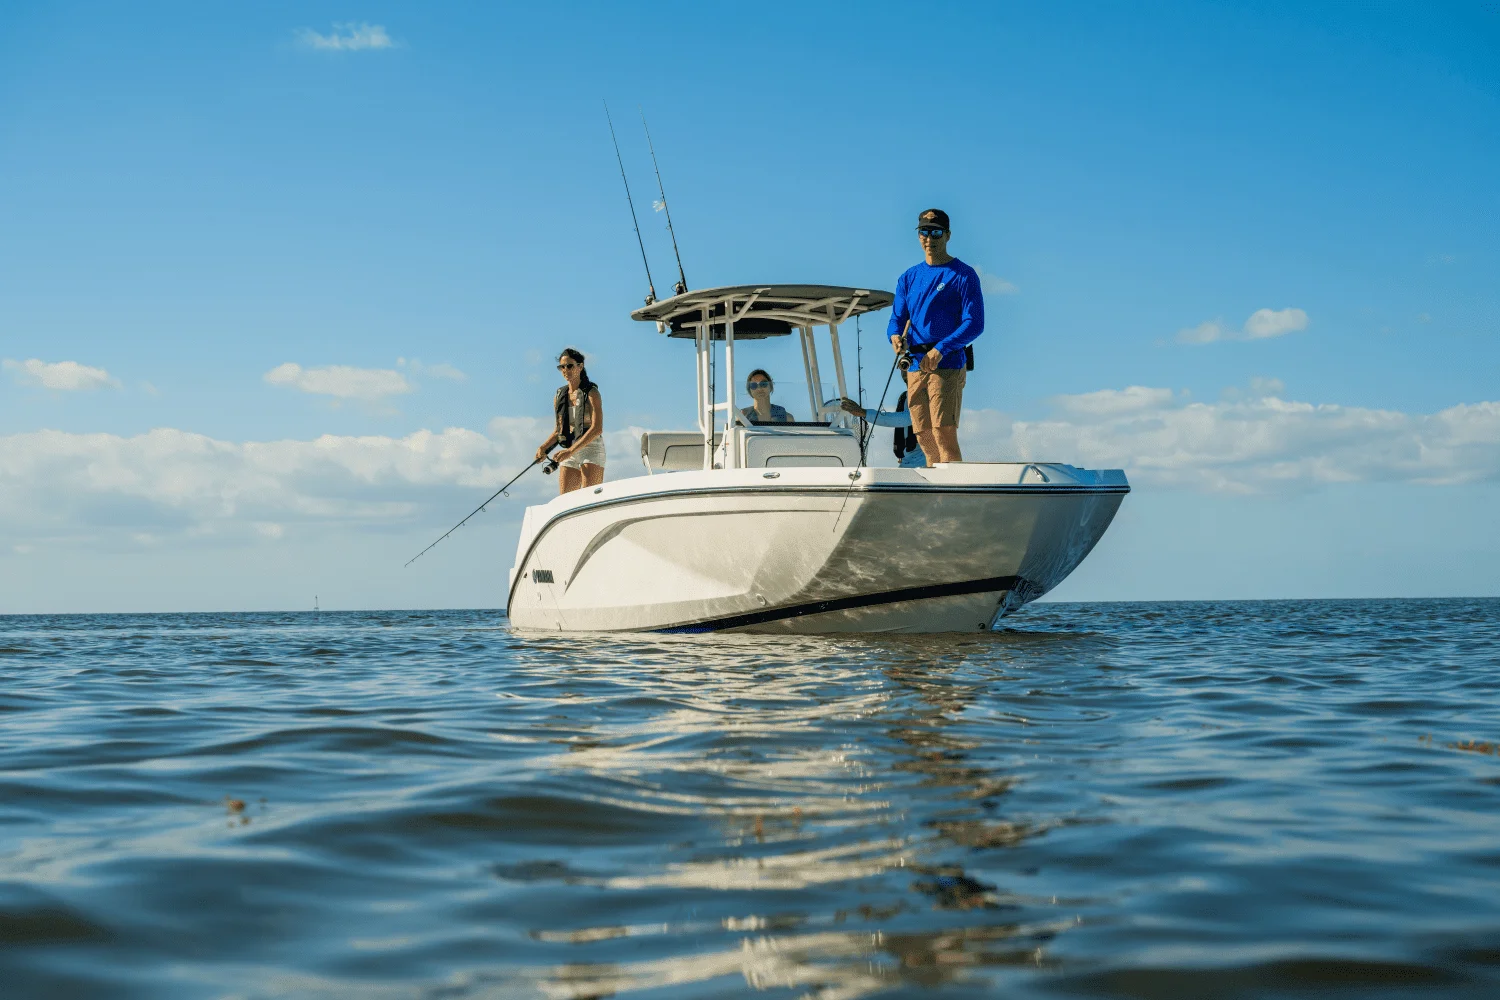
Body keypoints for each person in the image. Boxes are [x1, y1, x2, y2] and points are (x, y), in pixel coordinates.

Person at [888, 208, 984, 465]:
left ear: (948, 235)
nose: (929, 238)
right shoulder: (908, 278)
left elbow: (975, 323)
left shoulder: (963, 274)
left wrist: (941, 348)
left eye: (936, 233)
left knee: (943, 432)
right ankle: (936, 483)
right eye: (924, 232)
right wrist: (895, 337)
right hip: (915, 364)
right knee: (923, 435)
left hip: (947, 361)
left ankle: (954, 485)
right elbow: (896, 319)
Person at [534, 347, 605, 495]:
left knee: (589, 498)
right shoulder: (559, 396)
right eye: (562, 367)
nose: (565, 370)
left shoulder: (592, 393)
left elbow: (597, 428)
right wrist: (543, 447)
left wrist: (570, 451)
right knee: (566, 499)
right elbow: (558, 431)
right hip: (569, 450)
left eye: (569, 366)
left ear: (580, 366)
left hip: (591, 449)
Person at [840, 392, 926, 468]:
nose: (904, 375)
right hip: (907, 461)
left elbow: (907, 419)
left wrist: (864, 413)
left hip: (923, 461)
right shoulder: (906, 395)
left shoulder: (924, 392)